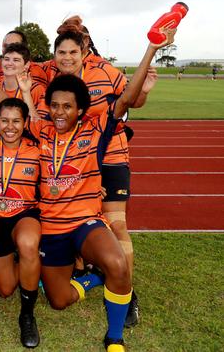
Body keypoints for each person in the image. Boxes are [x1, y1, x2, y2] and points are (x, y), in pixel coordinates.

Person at [29, 28, 175, 351]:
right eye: (54, 106)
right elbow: (9, 104)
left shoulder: (95, 130)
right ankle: (93, 278)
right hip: (52, 229)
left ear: (80, 109)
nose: (59, 113)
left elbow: (125, 99)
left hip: (85, 223)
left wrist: (151, 49)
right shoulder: (39, 131)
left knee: (119, 262)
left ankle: (114, 337)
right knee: (58, 300)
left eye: (67, 107)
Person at [0, 97, 43, 347]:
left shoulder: (37, 150)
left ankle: (27, 314)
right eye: (4, 120)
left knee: (27, 243)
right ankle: (33, 265)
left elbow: (57, 178)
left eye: (16, 121)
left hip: (24, 215)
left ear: (25, 123)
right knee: (4, 289)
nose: (10, 126)